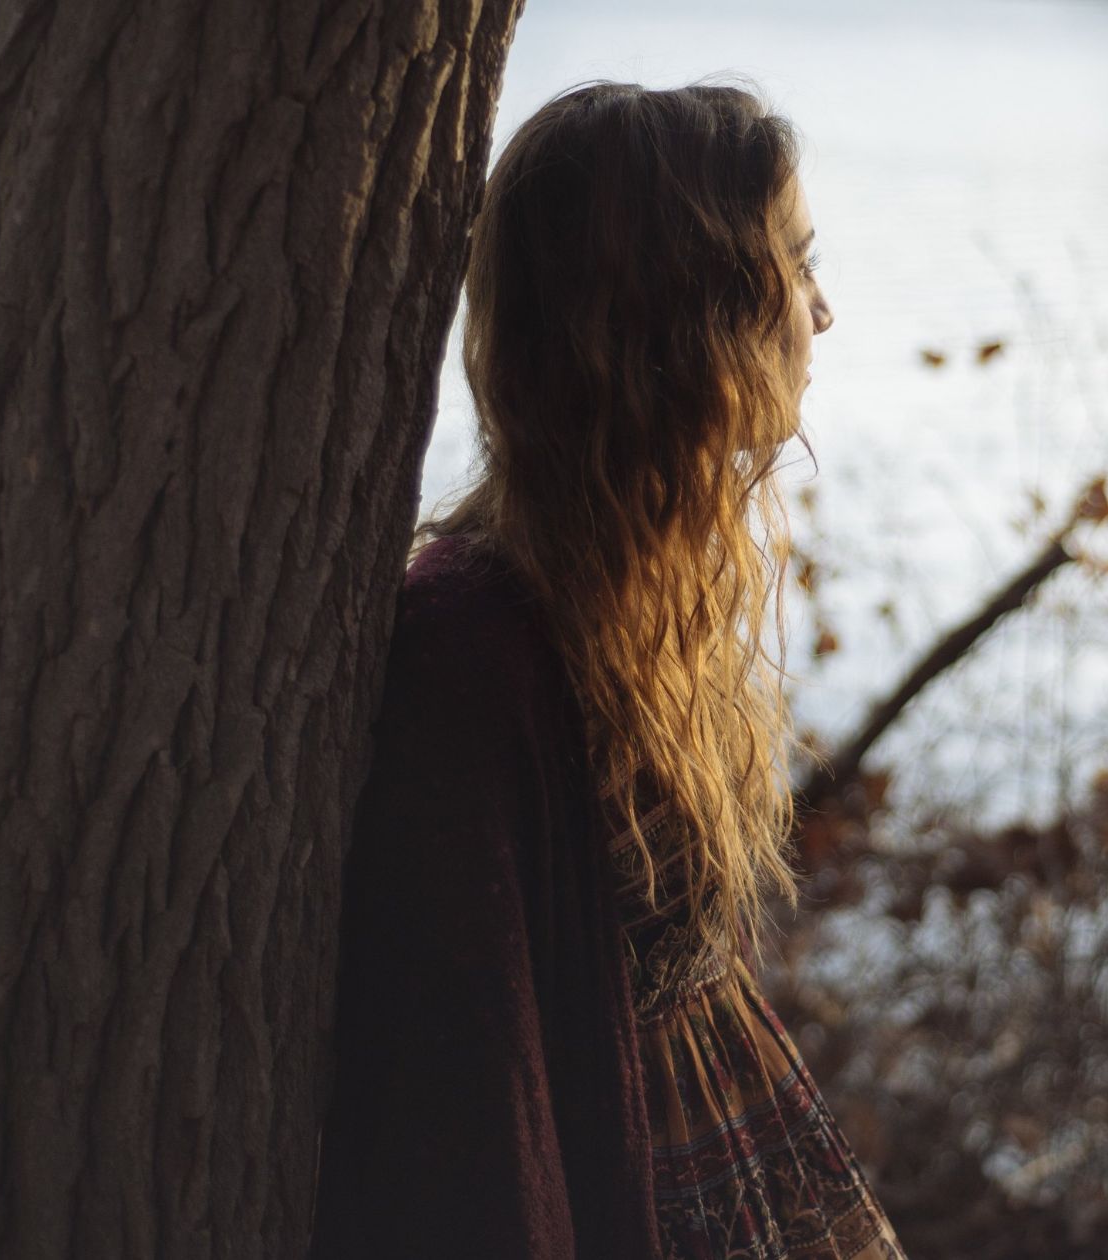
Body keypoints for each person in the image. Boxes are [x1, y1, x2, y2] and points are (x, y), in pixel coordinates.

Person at [312, 80, 907, 1260]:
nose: (822, 313)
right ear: (694, 308)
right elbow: (470, 1092)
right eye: (794, 265)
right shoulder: (471, 645)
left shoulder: (626, 602)